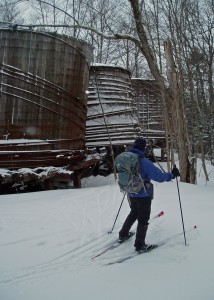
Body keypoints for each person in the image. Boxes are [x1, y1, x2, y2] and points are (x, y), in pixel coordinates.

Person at [118, 138, 180, 253]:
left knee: (134, 212)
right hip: (143, 195)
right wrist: (172, 175)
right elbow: (159, 177)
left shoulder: (127, 160)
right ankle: (139, 245)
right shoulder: (144, 162)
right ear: (143, 148)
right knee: (143, 219)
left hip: (130, 193)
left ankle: (123, 234)